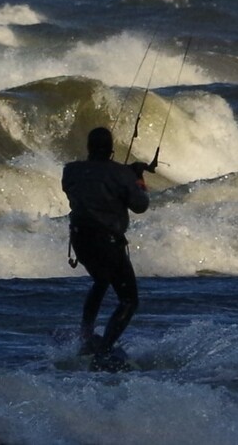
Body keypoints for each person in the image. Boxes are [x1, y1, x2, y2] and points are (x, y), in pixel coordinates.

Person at [62, 126, 150, 364]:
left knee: (101, 280)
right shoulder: (121, 174)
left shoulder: (70, 171)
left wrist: (123, 174)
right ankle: (104, 351)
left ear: (89, 148)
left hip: (80, 240)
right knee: (129, 300)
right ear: (112, 149)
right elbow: (140, 205)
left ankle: (86, 335)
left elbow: (87, 186)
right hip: (107, 243)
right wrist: (137, 178)